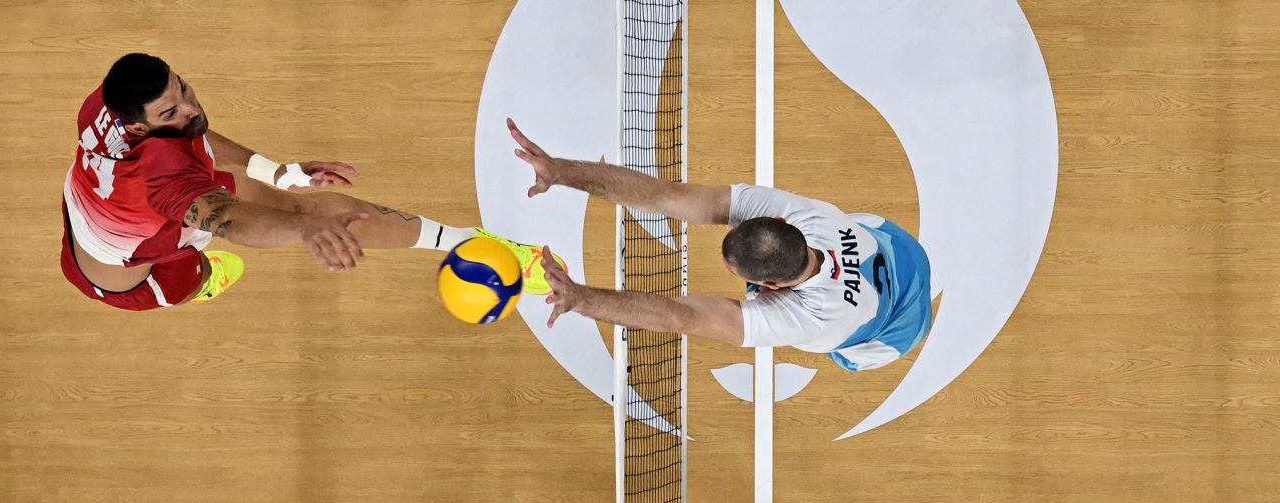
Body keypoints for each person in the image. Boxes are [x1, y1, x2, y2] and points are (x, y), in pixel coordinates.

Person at [63, 53, 558, 310]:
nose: (191, 107)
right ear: (139, 128)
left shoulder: (114, 103)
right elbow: (227, 220)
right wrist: (303, 234)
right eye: (171, 109)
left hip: (114, 195)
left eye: (184, 88)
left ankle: (476, 244)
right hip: (127, 268)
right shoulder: (161, 179)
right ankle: (204, 278)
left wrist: (273, 172)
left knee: (304, 207)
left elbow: (196, 137)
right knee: (189, 280)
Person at [506, 117, 933, 372]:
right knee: (858, 225)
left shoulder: (808, 320)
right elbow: (666, 196)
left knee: (848, 357)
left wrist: (582, 299)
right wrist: (561, 170)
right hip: (898, 248)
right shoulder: (808, 218)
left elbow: (682, 317)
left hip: (895, 327)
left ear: (773, 288)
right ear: (780, 221)